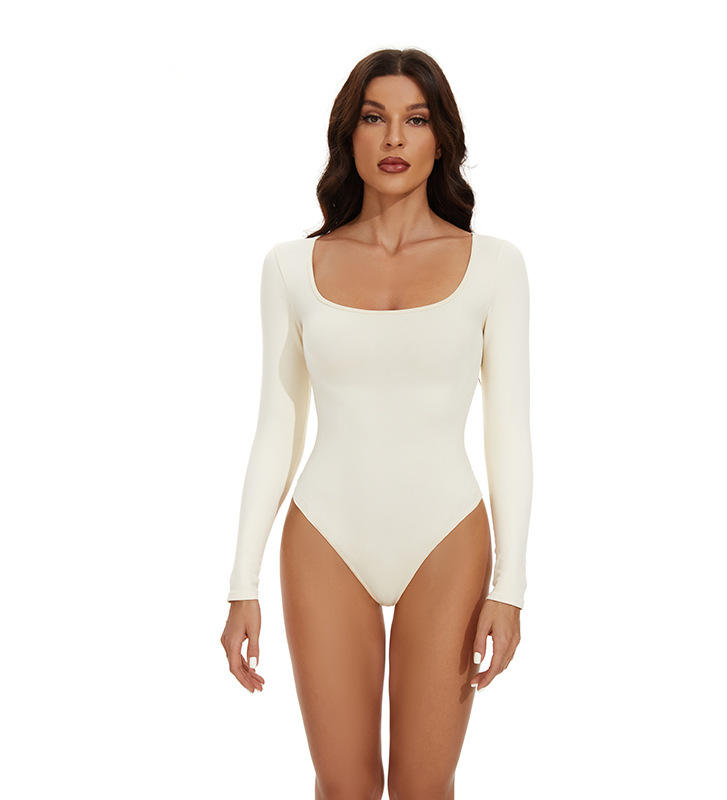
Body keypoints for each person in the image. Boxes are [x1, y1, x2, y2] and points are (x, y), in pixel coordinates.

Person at [220, 47, 532, 800]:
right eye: (374, 118)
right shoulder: (290, 268)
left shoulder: (495, 266)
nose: (394, 138)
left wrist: (511, 585)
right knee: (344, 786)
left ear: (441, 139)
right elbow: (277, 424)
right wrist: (241, 581)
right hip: (326, 537)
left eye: (415, 120)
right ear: (348, 135)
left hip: (446, 538)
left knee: (425, 786)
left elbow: (510, 432)